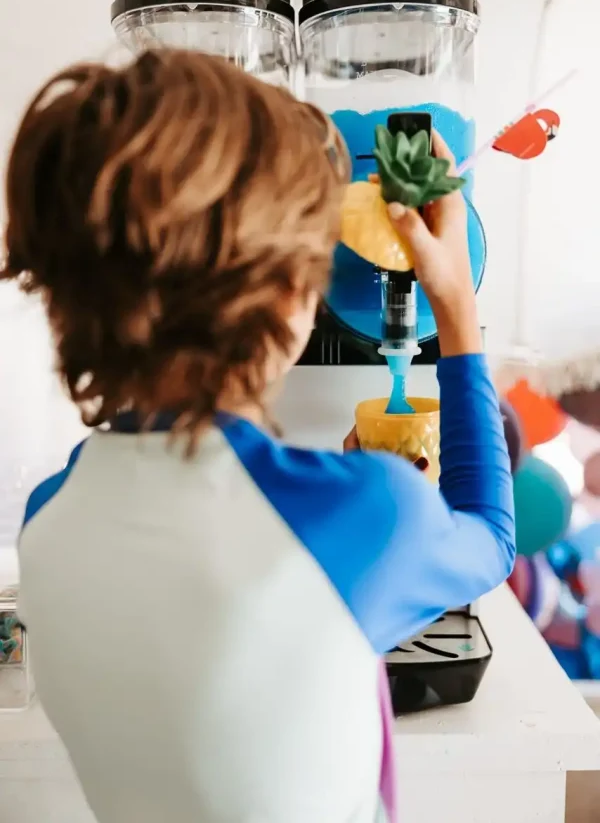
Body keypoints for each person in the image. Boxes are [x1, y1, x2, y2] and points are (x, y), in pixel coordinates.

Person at [1, 49, 514, 823]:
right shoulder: (366, 515)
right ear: (283, 299)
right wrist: (456, 311)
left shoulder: (46, 521)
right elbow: (490, 538)